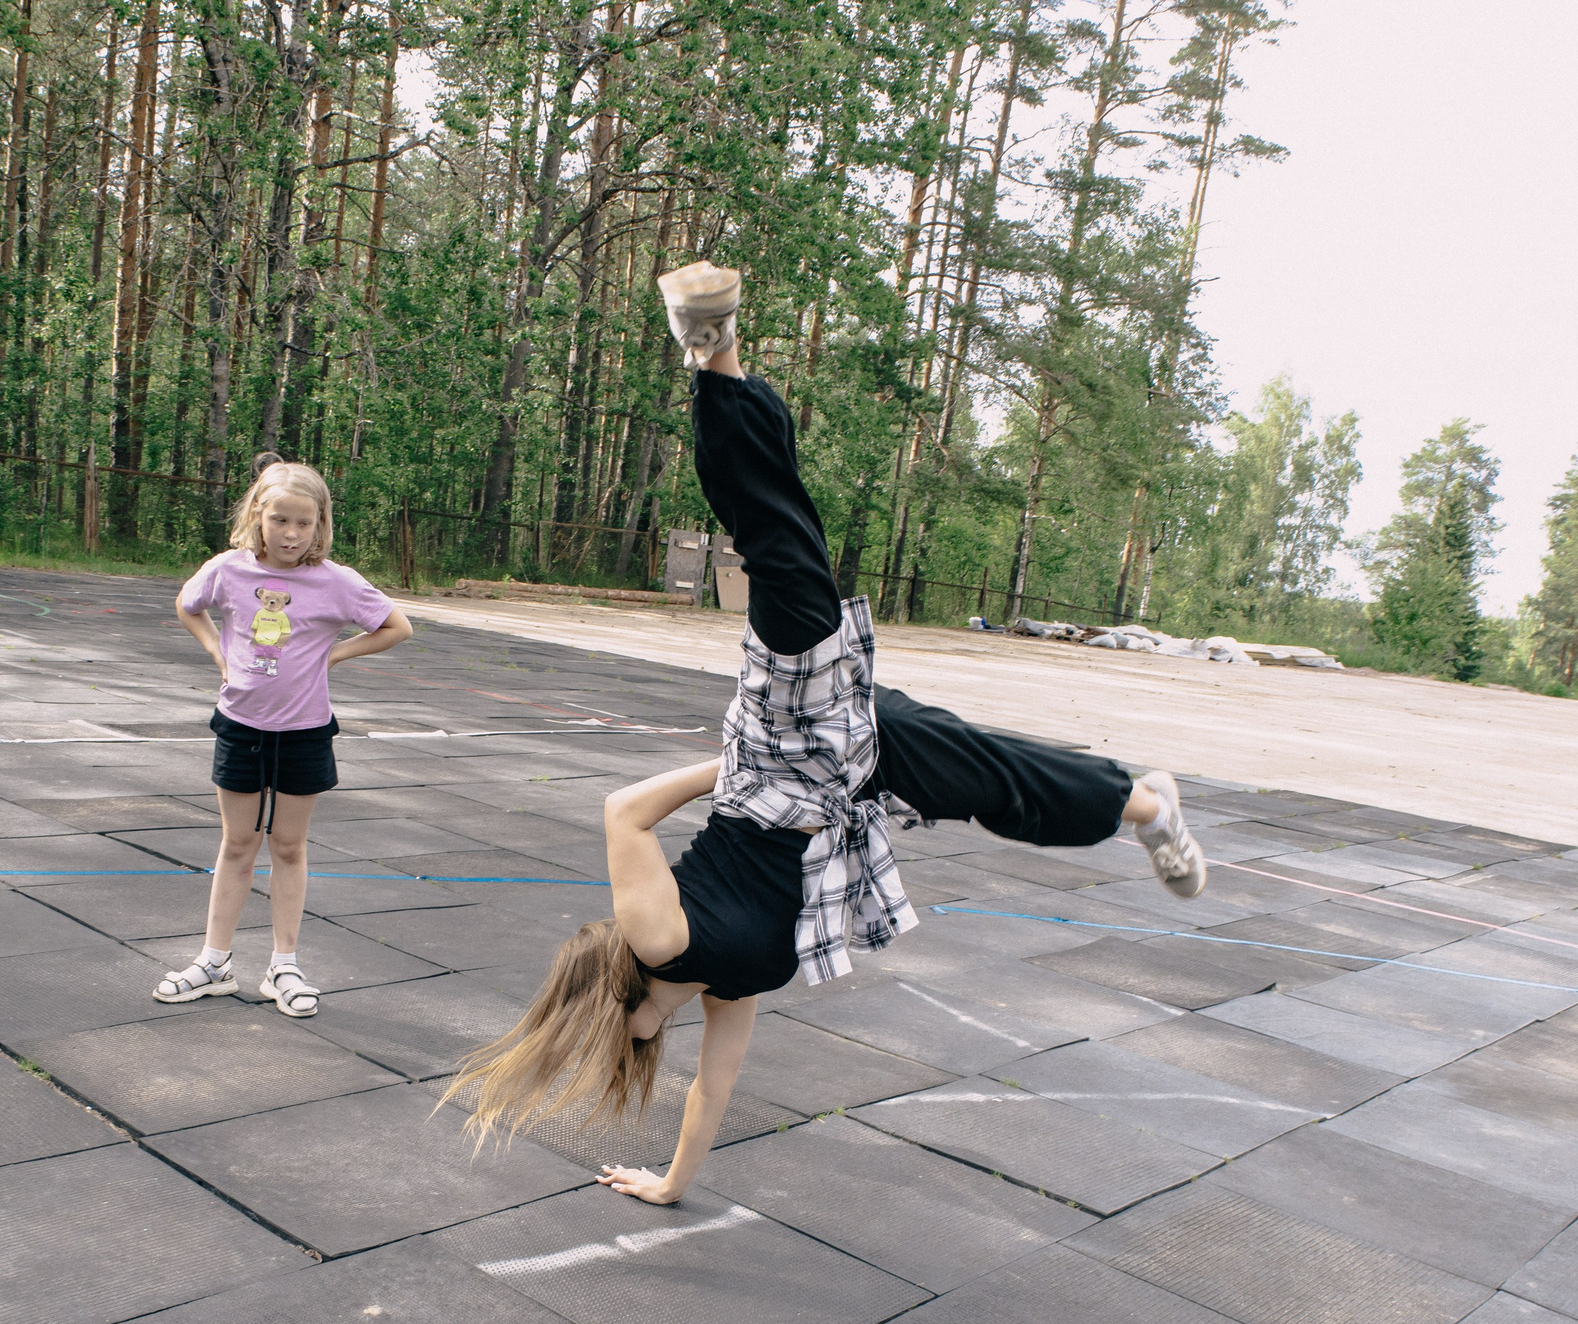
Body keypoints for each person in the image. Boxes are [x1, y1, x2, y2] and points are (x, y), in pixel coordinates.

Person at [445, 262, 1207, 1202]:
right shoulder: (727, 987)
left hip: (783, 740)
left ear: (617, 1009)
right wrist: (671, 1184)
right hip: (852, 775)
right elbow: (714, 1090)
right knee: (992, 786)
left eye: (625, 1040)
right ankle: (1145, 804)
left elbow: (623, 813)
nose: (642, 1051)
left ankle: (713, 351)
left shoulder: (650, 940)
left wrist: (730, 761)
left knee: (779, 548)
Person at [156, 457, 414, 1017]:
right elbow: (187, 604)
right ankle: (215, 962)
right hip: (241, 727)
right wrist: (215, 650)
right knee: (238, 844)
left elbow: (397, 627)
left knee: (289, 847)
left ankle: (283, 966)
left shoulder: (336, 581)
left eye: (305, 522)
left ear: (321, 523)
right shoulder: (229, 569)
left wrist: (335, 653)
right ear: (258, 514)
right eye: (280, 521)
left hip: (303, 734)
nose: (292, 534)